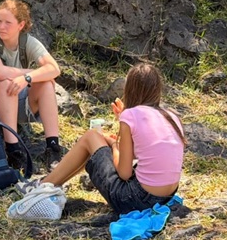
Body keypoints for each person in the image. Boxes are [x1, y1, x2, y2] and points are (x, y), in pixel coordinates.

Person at [11, 63, 185, 217]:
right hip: (165, 198)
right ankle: (48, 185)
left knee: (91, 137)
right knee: (96, 142)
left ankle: (41, 186)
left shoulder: (131, 115)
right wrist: (121, 126)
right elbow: (147, 150)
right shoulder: (171, 116)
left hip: (135, 200)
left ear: (130, 88)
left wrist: (115, 144)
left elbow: (124, 173)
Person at [0, 0, 62, 168]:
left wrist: (28, 79)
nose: (1, 27)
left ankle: (53, 148)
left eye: (8, 23)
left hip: (14, 102)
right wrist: (32, 74)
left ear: (21, 25)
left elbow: (54, 68)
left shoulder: (27, 41)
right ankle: (13, 150)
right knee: (6, 83)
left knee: (46, 84)